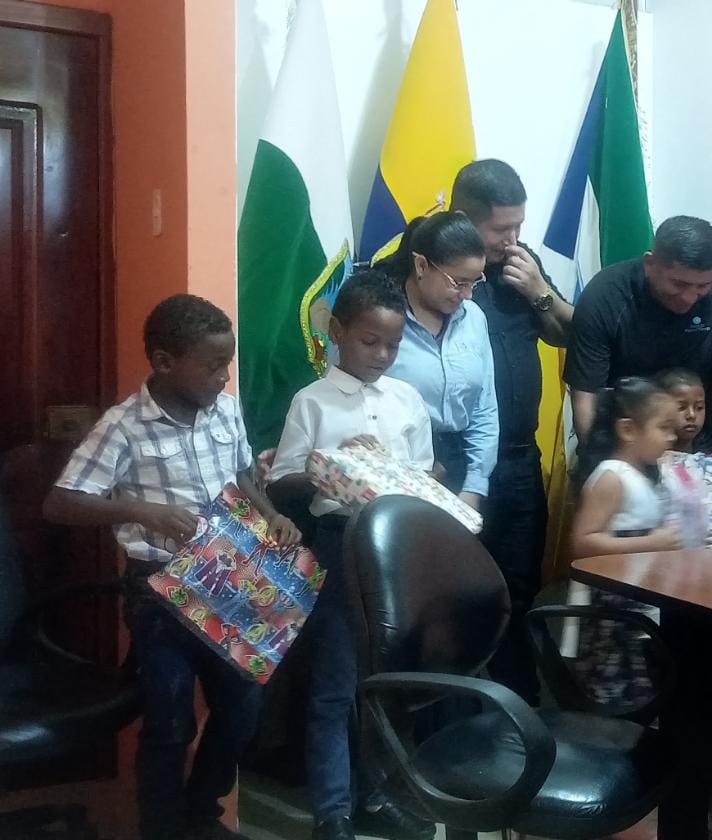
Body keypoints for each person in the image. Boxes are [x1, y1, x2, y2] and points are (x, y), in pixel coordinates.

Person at [43, 294, 300, 840]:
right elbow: (61, 502)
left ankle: (200, 815)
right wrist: (142, 510)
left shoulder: (224, 409)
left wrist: (271, 514)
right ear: (163, 362)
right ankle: (161, 829)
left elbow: (241, 476)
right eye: (213, 365)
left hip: (229, 577)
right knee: (169, 720)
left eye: (227, 364)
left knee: (243, 707)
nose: (224, 377)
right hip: (159, 591)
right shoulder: (123, 426)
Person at [266, 271, 437, 840]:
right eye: (370, 341)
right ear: (337, 332)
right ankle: (332, 811)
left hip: (396, 553)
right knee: (335, 682)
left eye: (393, 344)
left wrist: (389, 467)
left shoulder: (406, 399)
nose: (382, 355)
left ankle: (378, 797)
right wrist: (334, 464)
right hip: (340, 549)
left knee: (386, 681)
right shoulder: (312, 401)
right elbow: (283, 481)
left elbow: (425, 474)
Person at [449, 159, 572, 704]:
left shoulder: (522, 265)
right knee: (452, 593)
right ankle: (454, 713)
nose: (512, 239)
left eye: (518, 225)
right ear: (463, 219)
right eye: (501, 229)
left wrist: (539, 291)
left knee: (520, 591)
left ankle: (519, 713)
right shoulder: (431, 267)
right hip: (453, 466)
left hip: (519, 462)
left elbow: (572, 336)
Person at [564, 215, 712, 477]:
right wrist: (611, 472)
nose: (689, 297)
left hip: (695, 454)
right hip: (622, 453)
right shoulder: (605, 296)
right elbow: (587, 398)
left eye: (703, 286)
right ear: (650, 263)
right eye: (679, 284)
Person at [373, 212, 496, 511]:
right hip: (394, 466)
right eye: (458, 282)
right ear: (421, 265)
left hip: (459, 466)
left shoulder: (473, 318)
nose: (467, 295)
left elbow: (484, 407)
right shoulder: (380, 318)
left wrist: (475, 485)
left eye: (474, 283)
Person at [570, 377, 680, 705]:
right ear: (628, 429)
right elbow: (582, 544)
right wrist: (652, 542)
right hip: (615, 612)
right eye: (664, 428)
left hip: (638, 604)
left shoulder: (644, 477)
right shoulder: (611, 477)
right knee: (617, 692)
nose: (672, 437)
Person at [655, 368, 706, 454]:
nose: (692, 415)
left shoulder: (709, 459)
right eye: (681, 407)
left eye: (699, 407)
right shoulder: (646, 458)